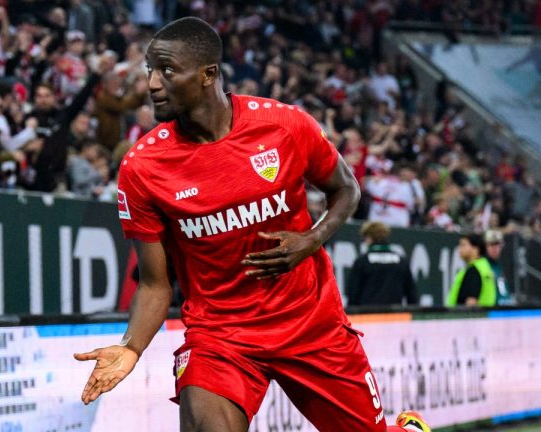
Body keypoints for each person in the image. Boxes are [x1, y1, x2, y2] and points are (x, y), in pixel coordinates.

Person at [74, 17, 388, 431]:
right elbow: (154, 283)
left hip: (310, 324)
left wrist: (312, 240)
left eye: (167, 71)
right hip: (221, 337)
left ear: (209, 74)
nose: (152, 84)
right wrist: (131, 347)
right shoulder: (143, 168)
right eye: (150, 70)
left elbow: (345, 188)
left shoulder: (283, 125)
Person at [347, 221, 418, 306]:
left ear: (369, 237)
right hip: (395, 316)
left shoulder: (362, 261)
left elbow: (352, 293)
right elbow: (412, 295)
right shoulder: (401, 261)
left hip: (368, 316)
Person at [446, 233, 496, 307]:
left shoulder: (474, 271)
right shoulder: (484, 267)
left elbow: (471, 303)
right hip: (485, 316)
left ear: (476, 249)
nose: (460, 248)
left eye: (463, 245)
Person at [483, 229, 514, 305]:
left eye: (497, 244)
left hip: (505, 309)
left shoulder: (504, 265)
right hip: (490, 311)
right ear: (486, 246)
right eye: (491, 244)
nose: (494, 248)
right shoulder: (482, 266)